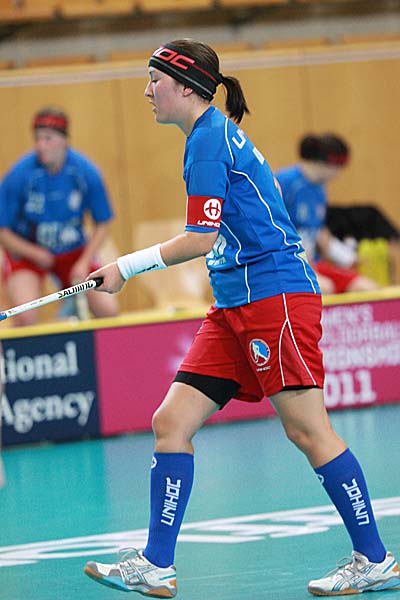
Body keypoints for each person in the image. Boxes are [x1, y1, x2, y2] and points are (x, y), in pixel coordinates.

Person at [83, 40, 400, 597]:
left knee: (308, 431)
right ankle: (157, 563)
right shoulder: (205, 136)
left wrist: (123, 268)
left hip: (274, 298)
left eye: (155, 80)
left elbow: (199, 239)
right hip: (233, 304)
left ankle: (374, 558)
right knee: (170, 423)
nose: (147, 91)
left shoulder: (209, 140)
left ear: (187, 87)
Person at [0, 106, 118, 326]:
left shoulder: (85, 172)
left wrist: (84, 261)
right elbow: (3, 232)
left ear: (64, 140)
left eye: (48, 138)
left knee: (108, 309)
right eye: (37, 139)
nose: (40, 145)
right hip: (29, 254)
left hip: (73, 252)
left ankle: (72, 306)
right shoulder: (18, 175)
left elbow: (103, 224)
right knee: (25, 314)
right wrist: (34, 252)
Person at [275, 134, 379, 294]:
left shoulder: (320, 190)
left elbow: (319, 233)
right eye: (339, 168)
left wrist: (347, 257)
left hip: (312, 263)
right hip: (288, 264)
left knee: (367, 288)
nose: (339, 175)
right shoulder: (285, 182)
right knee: (324, 287)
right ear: (327, 163)